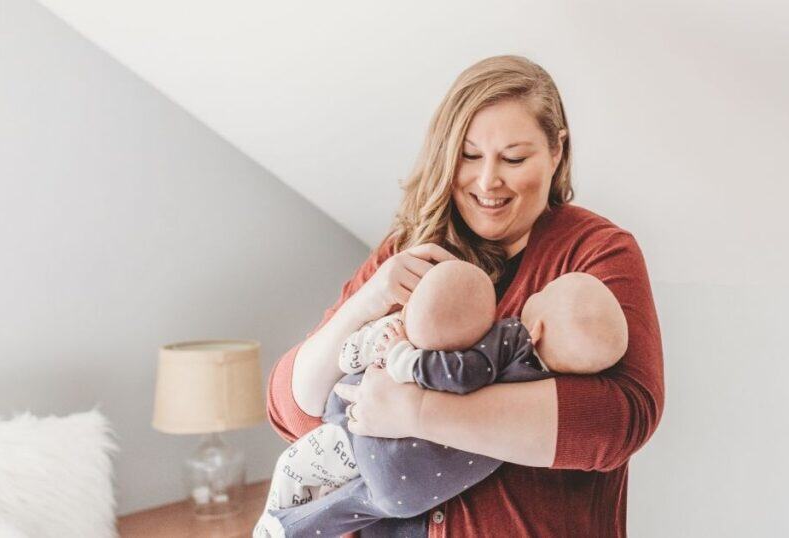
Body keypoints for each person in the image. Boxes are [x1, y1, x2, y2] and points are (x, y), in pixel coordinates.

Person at [266, 54, 664, 537]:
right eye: (470, 156)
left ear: (557, 151)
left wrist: (420, 414)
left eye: (514, 158)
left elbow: (615, 422)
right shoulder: (408, 249)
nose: (487, 180)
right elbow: (292, 413)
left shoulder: (596, 252)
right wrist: (368, 299)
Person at [254, 262, 628, 537]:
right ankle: (290, 530)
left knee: (295, 465)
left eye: (543, 293)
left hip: (382, 448)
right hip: (409, 492)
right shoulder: (539, 391)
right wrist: (369, 297)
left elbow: (461, 373)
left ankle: (275, 525)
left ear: (540, 329)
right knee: (349, 505)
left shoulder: (514, 340)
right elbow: (288, 409)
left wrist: (402, 357)